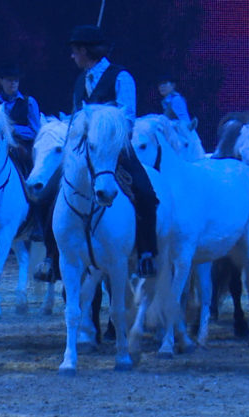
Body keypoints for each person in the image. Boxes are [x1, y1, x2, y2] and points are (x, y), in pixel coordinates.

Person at [65, 24, 158, 277]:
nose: (72, 56)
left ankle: (147, 251)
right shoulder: (80, 80)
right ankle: (53, 255)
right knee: (54, 188)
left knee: (146, 193)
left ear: (85, 50)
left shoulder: (121, 77)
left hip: (115, 151)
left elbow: (127, 122)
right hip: (85, 152)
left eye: (75, 51)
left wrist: (104, 137)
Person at [0, 63, 40, 160]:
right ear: (1, 81)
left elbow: (35, 131)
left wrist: (14, 129)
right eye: (9, 80)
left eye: (16, 80)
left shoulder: (29, 102)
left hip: (23, 151)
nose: (13, 83)